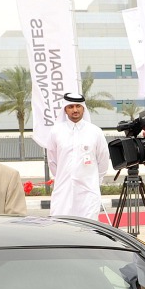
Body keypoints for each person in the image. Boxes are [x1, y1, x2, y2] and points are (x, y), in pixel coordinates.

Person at [44, 92, 109, 220]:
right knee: (60, 227)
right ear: (65, 109)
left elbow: (103, 161)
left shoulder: (95, 132)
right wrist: (65, 177)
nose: (75, 110)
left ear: (83, 108)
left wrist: (94, 182)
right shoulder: (56, 132)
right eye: (71, 107)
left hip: (88, 192)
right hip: (63, 190)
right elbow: (52, 161)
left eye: (78, 106)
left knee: (88, 230)